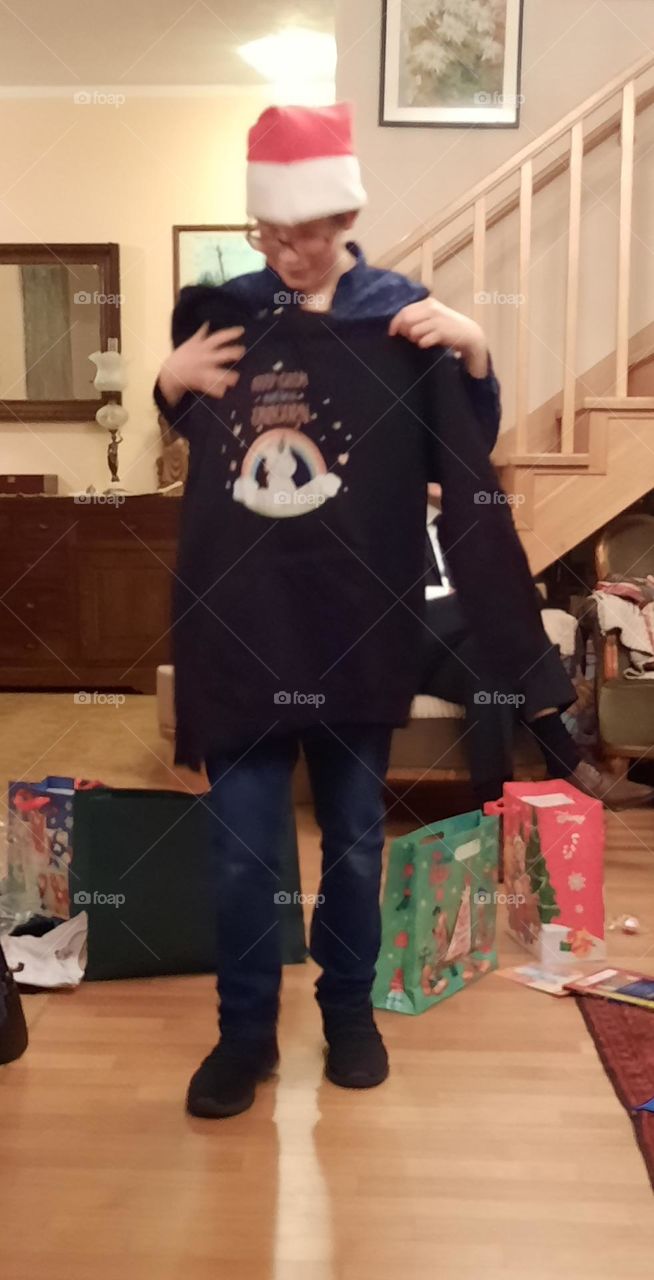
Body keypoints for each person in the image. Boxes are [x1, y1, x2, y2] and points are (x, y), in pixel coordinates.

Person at [154, 103, 566, 1120]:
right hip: (241, 626)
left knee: (351, 841)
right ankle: (242, 1032)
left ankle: (348, 1012)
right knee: (244, 850)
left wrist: (471, 352)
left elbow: (457, 448)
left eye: (308, 231)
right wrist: (168, 383)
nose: (289, 252)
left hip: (356, 623)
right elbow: (192, 429)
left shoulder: (399, 312)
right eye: (270, 233)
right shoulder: (225, 312)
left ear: (345, 212)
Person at [421, 485, 653, 808]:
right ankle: (567, 763)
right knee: (500, 609)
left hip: (459, 650)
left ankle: (495, 802)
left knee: (493, 664)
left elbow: (530, 594)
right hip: (410, 645)